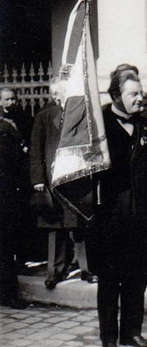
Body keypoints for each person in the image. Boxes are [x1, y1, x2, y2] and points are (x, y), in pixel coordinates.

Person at [86, 69, 147, 347]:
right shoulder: (99, 128)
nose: (139, 98)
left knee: (138, 276)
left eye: (140, 93)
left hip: (142, 216)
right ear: (116, 95)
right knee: (109, 280)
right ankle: (109, 338)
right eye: (133, 94)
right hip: (110, 218)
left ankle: (132, 331)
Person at [30, 79, 96, 289]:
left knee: (81, 227)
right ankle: (55, 272)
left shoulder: (81, 116)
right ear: (56, 96)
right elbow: (36, 150)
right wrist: (38, 179)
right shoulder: (43, 117)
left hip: (76, 180)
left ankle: (87, 269)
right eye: (64, 93)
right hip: (53, 182)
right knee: (55, 228)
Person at [0, 111, 29, 309]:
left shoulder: (7, 129)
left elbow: (19, 160)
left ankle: (8, 294)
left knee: (6, 248)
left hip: (6, 195)